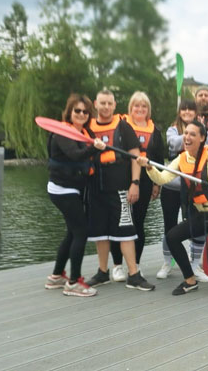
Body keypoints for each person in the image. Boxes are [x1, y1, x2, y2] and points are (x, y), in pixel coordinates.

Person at [138, 120, 208, 295]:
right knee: (172, 237)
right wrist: (149, 167)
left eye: (192, 134)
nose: (187, 137)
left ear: (202, 138)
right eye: (186, 133)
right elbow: (162, 179)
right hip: (204, 214)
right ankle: (190, 280)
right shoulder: (181, 159)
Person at [85, 89, 155, 291]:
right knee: (100, 233)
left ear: (115, 105)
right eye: (102, 103)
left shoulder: (123, 126)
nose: (106, 107)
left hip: (120, 187)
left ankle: (133, 274)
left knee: (126, 230)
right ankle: (102, 271)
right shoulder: (88, 128)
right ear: (95, 104)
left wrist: (135, 183)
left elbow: (135, 156)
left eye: (110, 103)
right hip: (96, 187)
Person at [44, 94, 105, 297]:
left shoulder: (85, 132)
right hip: (63, 190)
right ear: (69, 112)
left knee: (72, 232)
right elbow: (75, 155)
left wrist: (94, 147)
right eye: (77, 110)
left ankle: (56, 276)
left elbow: (87, 155)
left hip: (73, 189)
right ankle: (73, 282)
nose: (81, 114)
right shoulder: (63, 133)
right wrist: (93, 148)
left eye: (85, 111)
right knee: (81, 232)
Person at [155, 99, 208, 281]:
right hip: (172, 187)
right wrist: (192, 134)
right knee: (170, 226)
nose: (187, 111)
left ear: (196, 112)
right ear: (179, 111)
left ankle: (195, 265)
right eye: (184, 109)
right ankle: (168, 262)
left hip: (194, 187)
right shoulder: (172, 129)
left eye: (191, 109)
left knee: (197, 226)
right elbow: (174, 144)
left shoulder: (204, 131)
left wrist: (200, 132)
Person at [110, 91, 164, 270]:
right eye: (136, 105)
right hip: (122, 179)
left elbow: (158, 158)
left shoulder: (155, 131)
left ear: (148, 110)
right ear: (130, 108)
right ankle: (118, 265)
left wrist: (157, 184)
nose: (140, 109)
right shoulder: (121, 126)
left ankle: (136, 264)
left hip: (146, 181)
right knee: (121, 221)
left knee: (139, 223)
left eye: (144, 106)